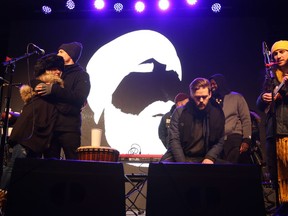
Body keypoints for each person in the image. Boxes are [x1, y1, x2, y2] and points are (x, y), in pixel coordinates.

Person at [0, 54, 64, 209]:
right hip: (26, 138)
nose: (57, 72)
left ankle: (12, 203)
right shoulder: (43, 88)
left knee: (19, 172)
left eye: (59, 69)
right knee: (12, 170)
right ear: (46, 71)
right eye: (53, 69)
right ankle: (3, 199)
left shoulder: (47, 92)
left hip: (32, 140)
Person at [37, 42, 91, 160]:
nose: (57, 54)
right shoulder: (55, 72)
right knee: (50, 165)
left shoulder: (82, 76)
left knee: (72, 164)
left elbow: (79, 97)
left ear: (70, 55)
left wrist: (54, 89)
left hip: (69, 128)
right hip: (51, 127)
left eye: (61, 51)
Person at [161, 78, 225, 163]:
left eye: (204, 97)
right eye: (198, 97)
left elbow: (220, 140)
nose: (201, 100)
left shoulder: (217, 113)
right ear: (191, 95)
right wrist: (183, 164)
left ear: (210, 94)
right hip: (182, 156)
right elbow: (174, 140)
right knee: (161, 168)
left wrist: (210, 157)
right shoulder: (179, 112)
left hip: (205, 157)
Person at [256, 40, 288, 210]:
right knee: (275, 175)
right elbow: (260, 106)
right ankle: (280, 209)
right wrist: (263, 98)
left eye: (282, 52)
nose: (277, 56)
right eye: (275, 53)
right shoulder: (270, 77)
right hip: (273, 133)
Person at [209, 74, 252, 164]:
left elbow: (246, 119)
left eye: (214, 84)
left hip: (234, 138)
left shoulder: (236, 97)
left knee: (232, 169)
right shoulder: (211, 101)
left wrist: (246, 140)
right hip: (217, 141)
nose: (212, 86)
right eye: (211, 84)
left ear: (221, 83)